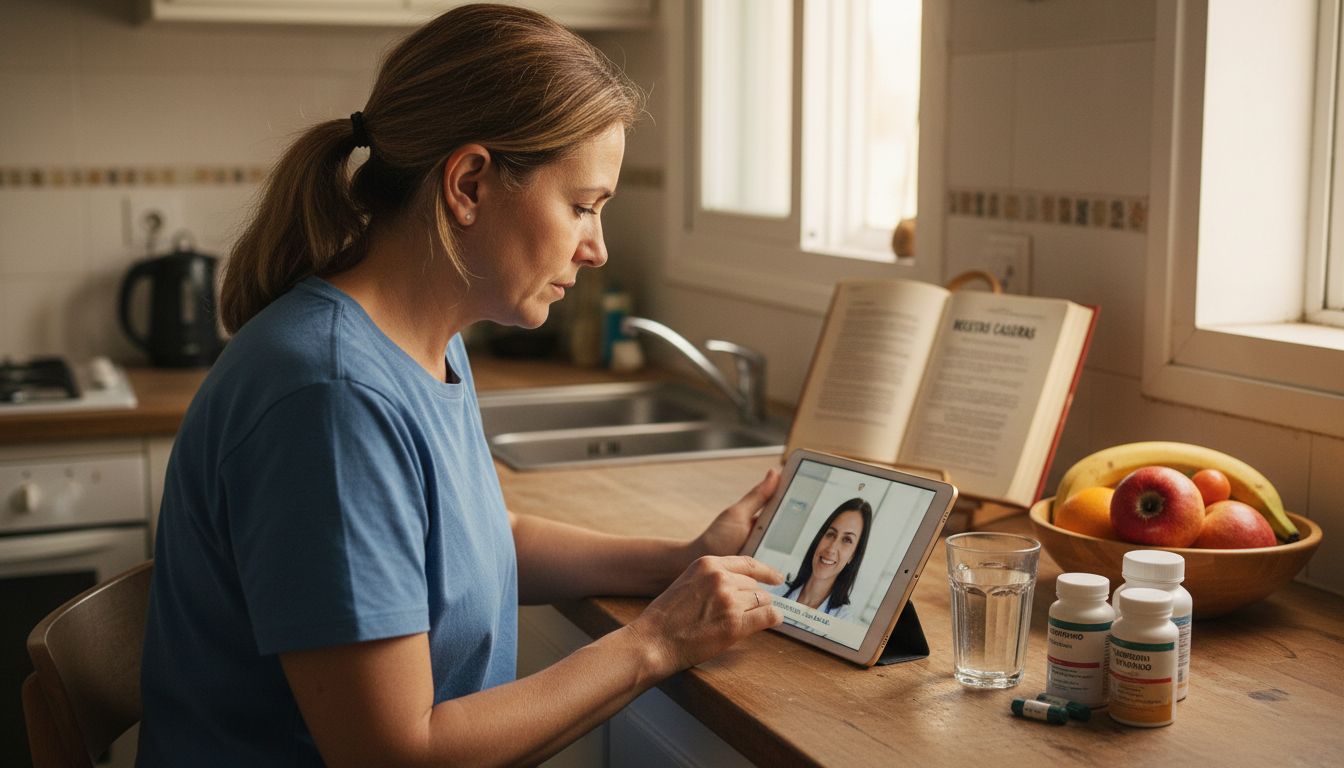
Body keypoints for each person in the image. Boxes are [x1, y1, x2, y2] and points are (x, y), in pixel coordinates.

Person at [136, 5, 785, 766]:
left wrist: (679, 558)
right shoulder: (333, 396)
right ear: (469, 183)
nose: (598, 248)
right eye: (582, 206)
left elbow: (480, 542)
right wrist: (657, 641)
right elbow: (396, 754)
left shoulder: (423, 343)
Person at [766, 498, 872, 621]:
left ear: (853, 555)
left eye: (847, 540)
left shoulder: (843, 619)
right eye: (831, 534)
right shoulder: (777, 592)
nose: (831, 549)